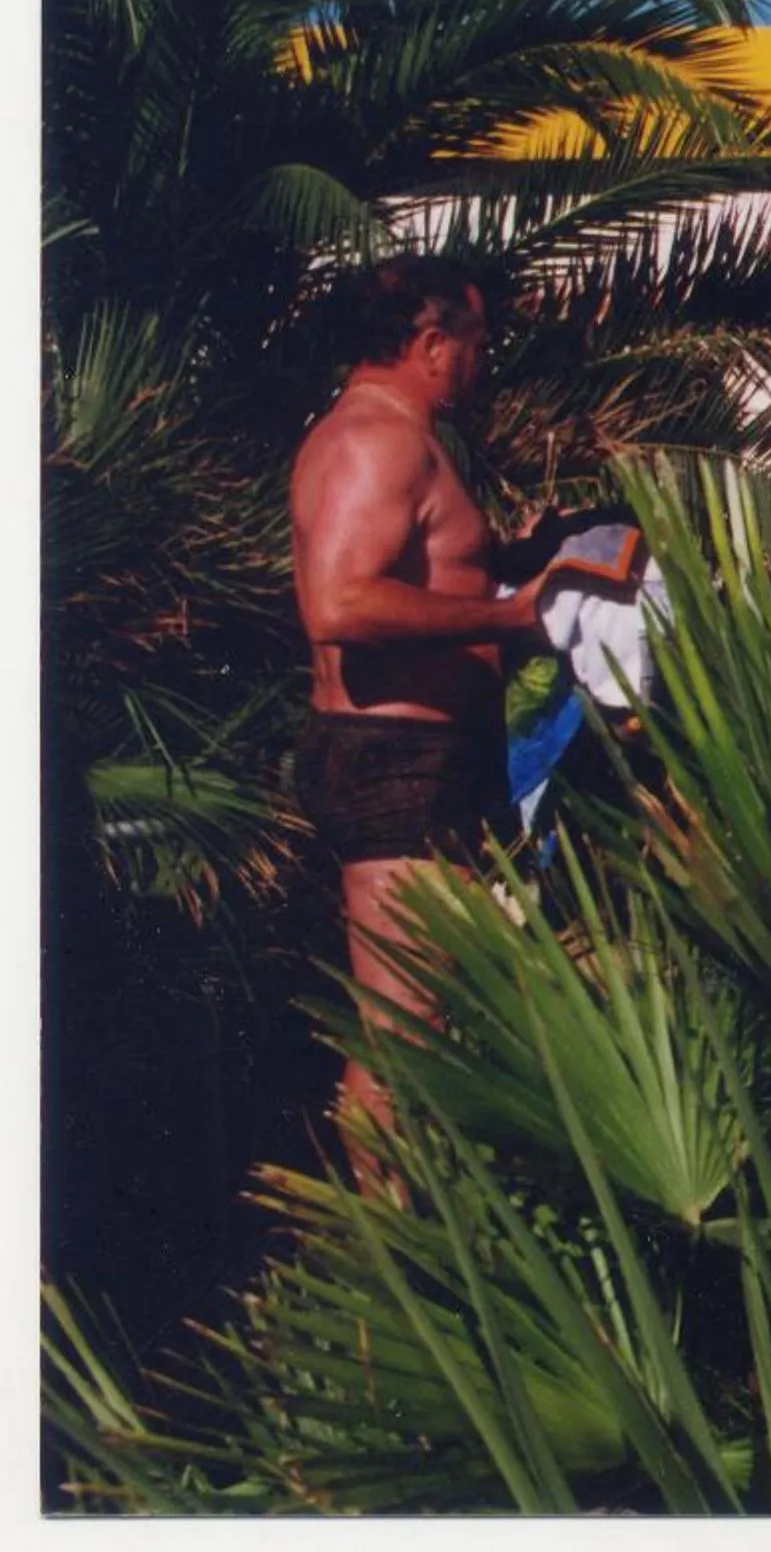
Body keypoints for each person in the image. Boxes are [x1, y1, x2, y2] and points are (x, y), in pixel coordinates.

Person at [289, 255, 543, 1154]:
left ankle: (401, 1236)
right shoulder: (377, 441)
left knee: (420, 1014)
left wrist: (519, 559)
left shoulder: (397, 435)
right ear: (432, 344)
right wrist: (510, 615)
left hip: (420, 763)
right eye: (477, 344)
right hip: (396, 764)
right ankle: (383, 1264)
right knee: (404, 1034)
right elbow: (342, 602)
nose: (484, 362)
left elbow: (418, 568)